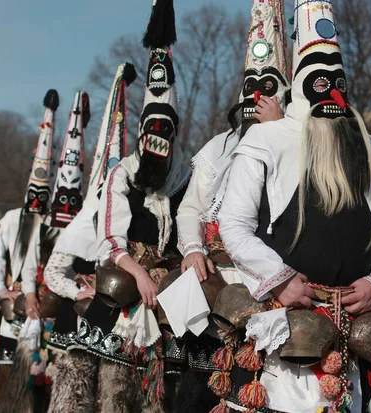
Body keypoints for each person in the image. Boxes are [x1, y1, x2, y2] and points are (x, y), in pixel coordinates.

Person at [217, 0, 371, 411]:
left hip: (351, 331)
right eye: (321, 80)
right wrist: (280, 279)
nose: (332, 90)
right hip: (285, 324)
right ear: (302, 82)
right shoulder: (265, 140)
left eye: (338, 79)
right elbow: (233, 224)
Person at [170, 1, 288, 411]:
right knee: (195, 392)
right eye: (252, 83)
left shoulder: (297, 144)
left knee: (254, 392)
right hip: (212, 282)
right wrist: (193, 249)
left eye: (268, 85)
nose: (258, 94)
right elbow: (189, 210)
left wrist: (276, 133)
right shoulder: (218, 146)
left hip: (266, 285)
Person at [73, 2, 190, 411]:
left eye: (166, 129)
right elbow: (110, 236)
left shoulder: (187, 176)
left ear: (175, 135)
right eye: (151, 128)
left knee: (179, 382)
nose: (157, 136)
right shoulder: (123, 173)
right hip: (127, 277)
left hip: (173, 286)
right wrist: (139, 273)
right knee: (108, 378)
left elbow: (192, 228)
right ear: (141, 133)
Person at [44, 62, 136, 413]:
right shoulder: (81, 224)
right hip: (79, 321)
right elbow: (54, 273)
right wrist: (77, 290)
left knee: (114, 399)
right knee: (74, 399)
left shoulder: (127, 221)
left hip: (117, 325)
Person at [0, 91, 90, 413]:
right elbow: (18, 261)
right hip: (31, 299)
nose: (39, 202)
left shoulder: (73, 226)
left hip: (63, 304)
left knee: (56, 372)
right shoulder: (19, 222)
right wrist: (21, 291)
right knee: (23, 368)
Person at [0, 90, 59, 407]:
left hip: (49, 300)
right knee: (11, 370)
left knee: (43, 373)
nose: (38, 203)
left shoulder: (55, 223)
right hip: (17, 302)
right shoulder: (13, 219)